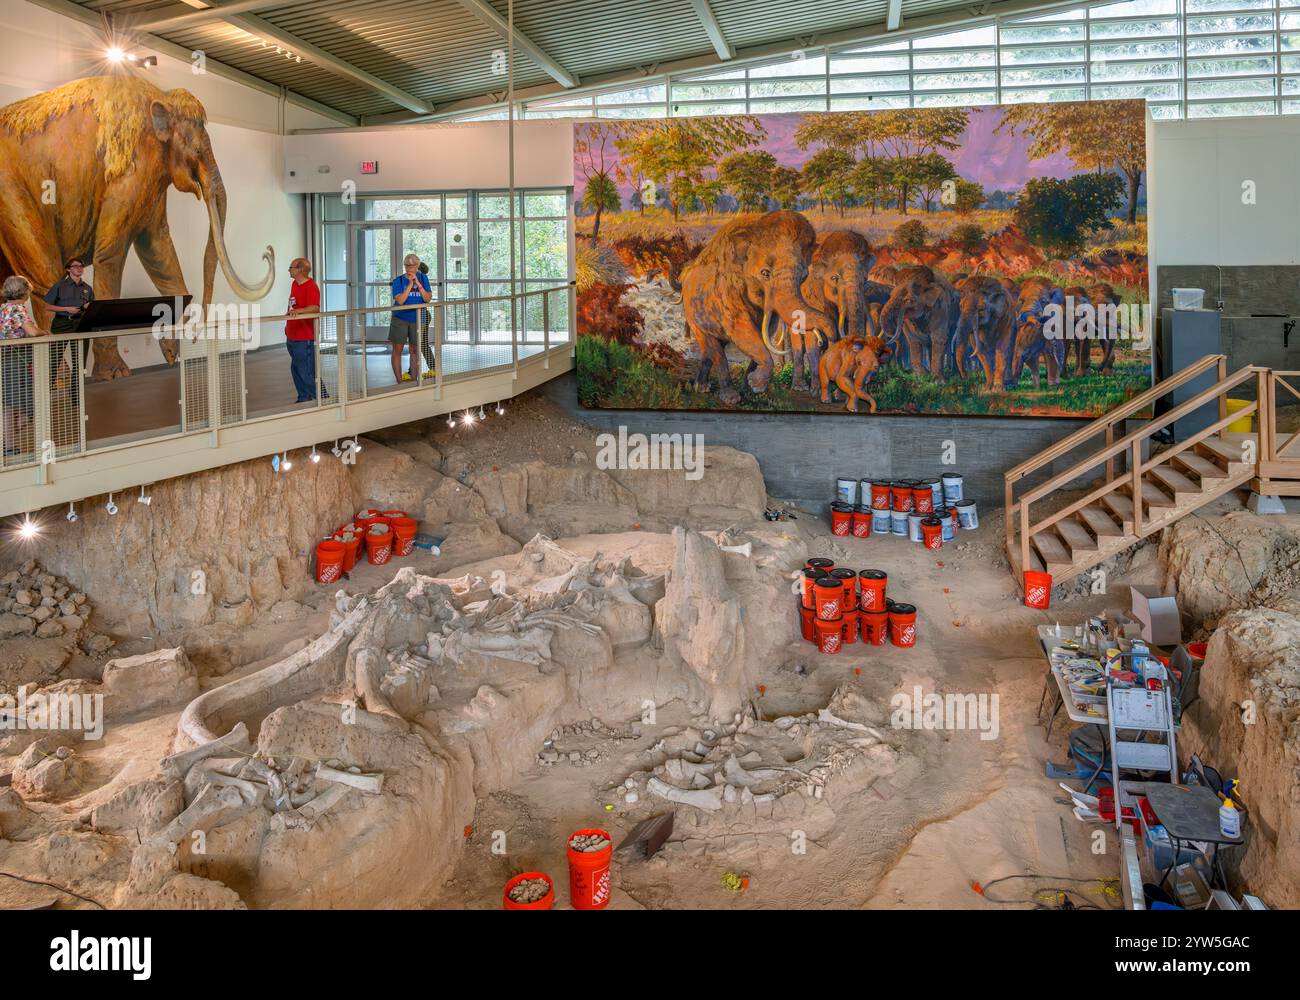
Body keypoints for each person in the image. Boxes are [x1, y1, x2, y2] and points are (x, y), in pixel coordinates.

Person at [1, 276, 49, 456]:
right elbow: (32, 332)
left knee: (8, 405)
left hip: (4, 358)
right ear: (25, 291)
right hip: (17, 360)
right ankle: (7, 442)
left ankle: (8, 445)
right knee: (29, 406)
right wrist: (44, 332)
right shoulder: (18, 308)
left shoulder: (3, 308)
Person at [285, 257, 322, 403]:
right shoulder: (295, 284)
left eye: (291, 267)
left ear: (300, 269)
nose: (289, 270)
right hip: (292, 335)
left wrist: (299, 311)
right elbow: (291, 306)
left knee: (307, 371)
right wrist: (287, 325)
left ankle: (323, 398)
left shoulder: (311, 286)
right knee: (295, 368)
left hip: (304, 337)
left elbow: (315, 307)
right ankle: (304, 397)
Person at [389, 254, 431, 383]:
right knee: (398, 349)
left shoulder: (423, 279)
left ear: (417, 265)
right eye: (407, 265)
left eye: (412, 265)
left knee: (414, 349)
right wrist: (409, 285)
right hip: (400, 318)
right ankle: (399, 380)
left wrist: (417, 283)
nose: (409, 268)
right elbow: (400, 300)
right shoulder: (398, 281)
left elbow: (427, 298)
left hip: (418, 318)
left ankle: (414, 380)